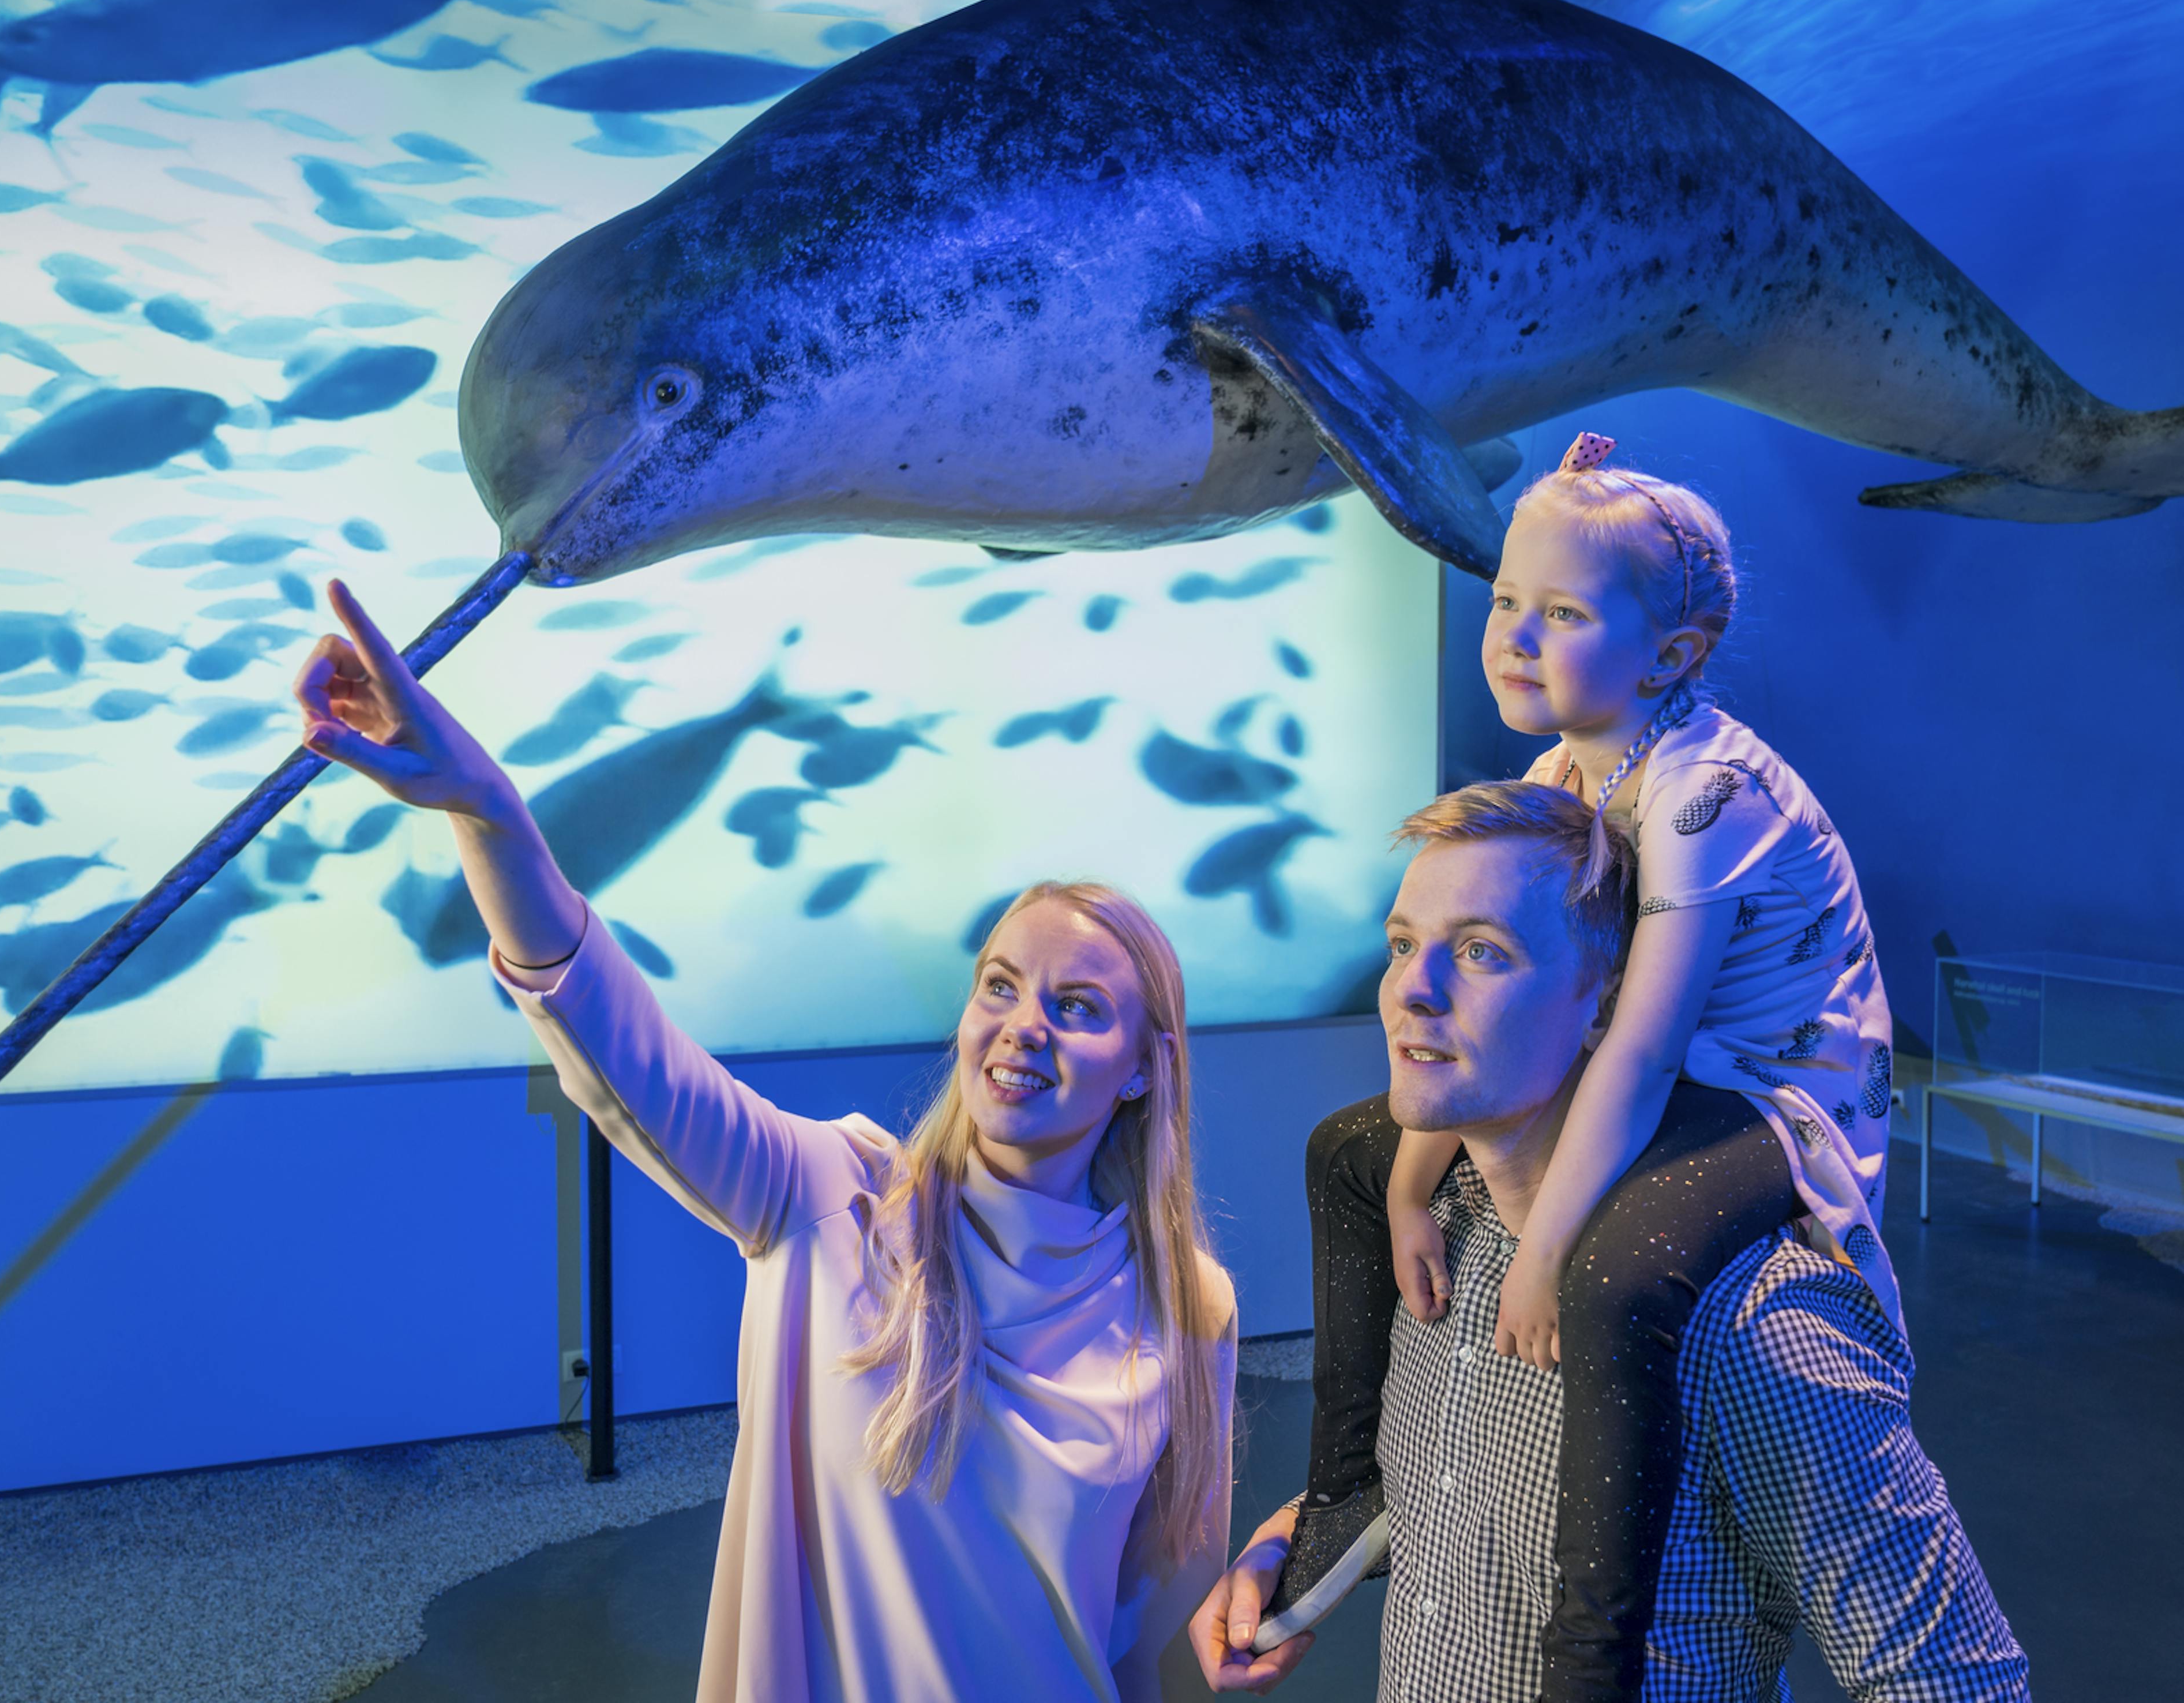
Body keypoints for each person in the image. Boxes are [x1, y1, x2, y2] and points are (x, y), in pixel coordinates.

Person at [290, 580, 1238, 1703]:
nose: (1025, 1025)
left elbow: (1143, 1633)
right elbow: (623, 1051)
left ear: (1142, 1068)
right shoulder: (831, 1199)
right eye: (1001, 985)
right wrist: (484, 808)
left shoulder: (1190, 1306)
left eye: (1079, 1006)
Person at [1255, 433, 1902, 1698]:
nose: (1513, 634)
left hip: (1774, 1101)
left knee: (1615, 1281)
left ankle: (1590, 1660)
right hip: (1676, 1068)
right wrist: (1401, 1186)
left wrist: (1548, 1247)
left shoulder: (1698, 791)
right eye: (1504, 599)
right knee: (1348, 1149)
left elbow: (1644, 1037)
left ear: (1674, 655)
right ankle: (1343, 1493)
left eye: (1561, 611)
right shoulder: (1562, 772)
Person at [1190, 781, 2027, 1700]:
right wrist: (1290, 1547)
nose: (1412, 992)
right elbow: (1455, 1491)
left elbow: (1950, 1678)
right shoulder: (1432, 1237)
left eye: (1480, 952)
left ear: (1606, 1005)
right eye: (1402, 945)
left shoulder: (1748, 1321)